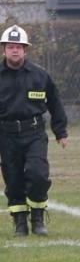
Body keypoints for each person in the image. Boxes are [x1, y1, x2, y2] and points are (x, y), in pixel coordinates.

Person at [0, 25, 68, 236]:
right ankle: (20, 221)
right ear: (4, 50)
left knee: (38, 174)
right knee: (13, 179)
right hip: (6, 135)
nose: (14, 51)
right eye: (10, 47)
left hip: (35, 134)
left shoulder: (40, 75)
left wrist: (61, 131)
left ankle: (37, 218)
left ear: (25, 50)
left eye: (19, 47)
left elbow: (55, 102)